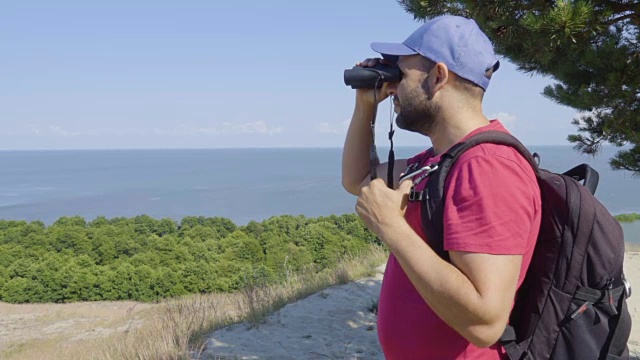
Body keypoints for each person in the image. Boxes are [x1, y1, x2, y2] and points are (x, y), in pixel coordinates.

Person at [341, 15, 542, 359]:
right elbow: (357, 177)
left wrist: (392, 228)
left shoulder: (487, 167)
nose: (393, 88)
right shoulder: (439, 159)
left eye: (400, 74)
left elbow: (485, 323)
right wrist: (365, 106)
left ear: (438, 76)